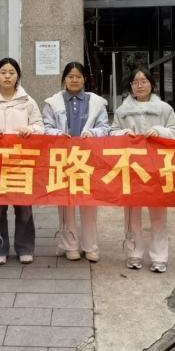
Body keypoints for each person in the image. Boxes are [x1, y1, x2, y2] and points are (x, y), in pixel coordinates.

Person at [111, 66, 175, 273]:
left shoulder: (164, 109)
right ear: (130, 86)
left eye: (144, 81)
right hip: (131, 167)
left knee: (158, 213)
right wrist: (124, 133)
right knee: (132, 213)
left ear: (152, 84)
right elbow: (112, 133)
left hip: (157, 168)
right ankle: (134, 252)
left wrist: (160, 131)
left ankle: (159, 255)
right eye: (135, 82)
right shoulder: (122, 111)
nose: (139, 85)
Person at [0, 57, 44, 265]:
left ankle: (25, 247)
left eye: (12, 73)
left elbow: (40, 126)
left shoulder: (27, 101)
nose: (7, 76)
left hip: (21, 162)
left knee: (24, 208)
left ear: (18, 76)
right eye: (3, 72)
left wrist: (30, 129)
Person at [42, 61, 109, 262]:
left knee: (89, 203)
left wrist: (92, 133)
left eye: (78, 77)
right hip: (62, 159)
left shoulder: (96, 102)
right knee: (65, 204)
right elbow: (45, 127)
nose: (74, 80)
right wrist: (57, 134)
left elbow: (105, 127)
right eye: (70, 76)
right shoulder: (53, 103)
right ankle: (69, 245)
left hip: (87, 159)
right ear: (64, 79)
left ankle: (90, 247)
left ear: (84, 79)